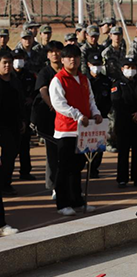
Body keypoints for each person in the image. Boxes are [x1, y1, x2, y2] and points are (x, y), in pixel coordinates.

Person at [49, 44, 102, 216]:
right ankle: (62, 203)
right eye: (69, 57)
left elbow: (91, 100)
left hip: (83, 131)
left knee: (78, 167)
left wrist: (96, 113)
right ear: (62, 60)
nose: (73, 60)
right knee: (64, 167)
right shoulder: (58, 79)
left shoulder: (84, 79)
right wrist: (77, 115)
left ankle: (77, 200)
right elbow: (59, 104)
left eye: (76, 57)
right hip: (66, 130)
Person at [32, 41, 64, 200]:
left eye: (58, 51)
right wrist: (53, 105)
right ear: (47, 55)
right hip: (50, 119)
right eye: (52, 52)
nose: (55, 54)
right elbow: (43, 90)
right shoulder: (45, 72)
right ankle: (54, 186)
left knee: (68, 153)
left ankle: (68, 185)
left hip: (68, 120)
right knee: (52, 153)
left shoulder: (68, 72)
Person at [112, 57, 137, 188]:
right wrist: (130, 115)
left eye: (133, 67)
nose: (130, 70)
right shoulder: (117, 84)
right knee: (123, 152)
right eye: (128, 67)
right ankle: (122, 178)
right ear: (122, 69)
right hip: (123, 122)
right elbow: (117, 103)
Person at [0, 51, 26, 197]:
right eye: (4, 63)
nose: (7, 66)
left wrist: (22, 120)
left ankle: (6, 184)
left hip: (13, 124)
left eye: (9, 63)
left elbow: (21, 102)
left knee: (10, 155)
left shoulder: (15, 82)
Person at [12, 48, 38, 181]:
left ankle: (25, 171)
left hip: (25, 113)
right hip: (11, 114)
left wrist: (31, 98)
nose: (18, 61)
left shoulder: (30, 75)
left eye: (21, 58)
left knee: (25, 144)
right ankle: (7, 174)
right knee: (10, 147)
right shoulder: (8, 75)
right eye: (16, 58)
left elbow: (36, 90)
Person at [86, 53, 112, 179]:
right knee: (85, 144)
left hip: (101, 117)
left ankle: (94, 169)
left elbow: (110, 100)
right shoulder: (84, 80)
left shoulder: (106, 81)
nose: (97, 67)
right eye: (94, 64)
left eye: (99, 64)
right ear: (88, 65)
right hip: (86, 117)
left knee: (98, 145)